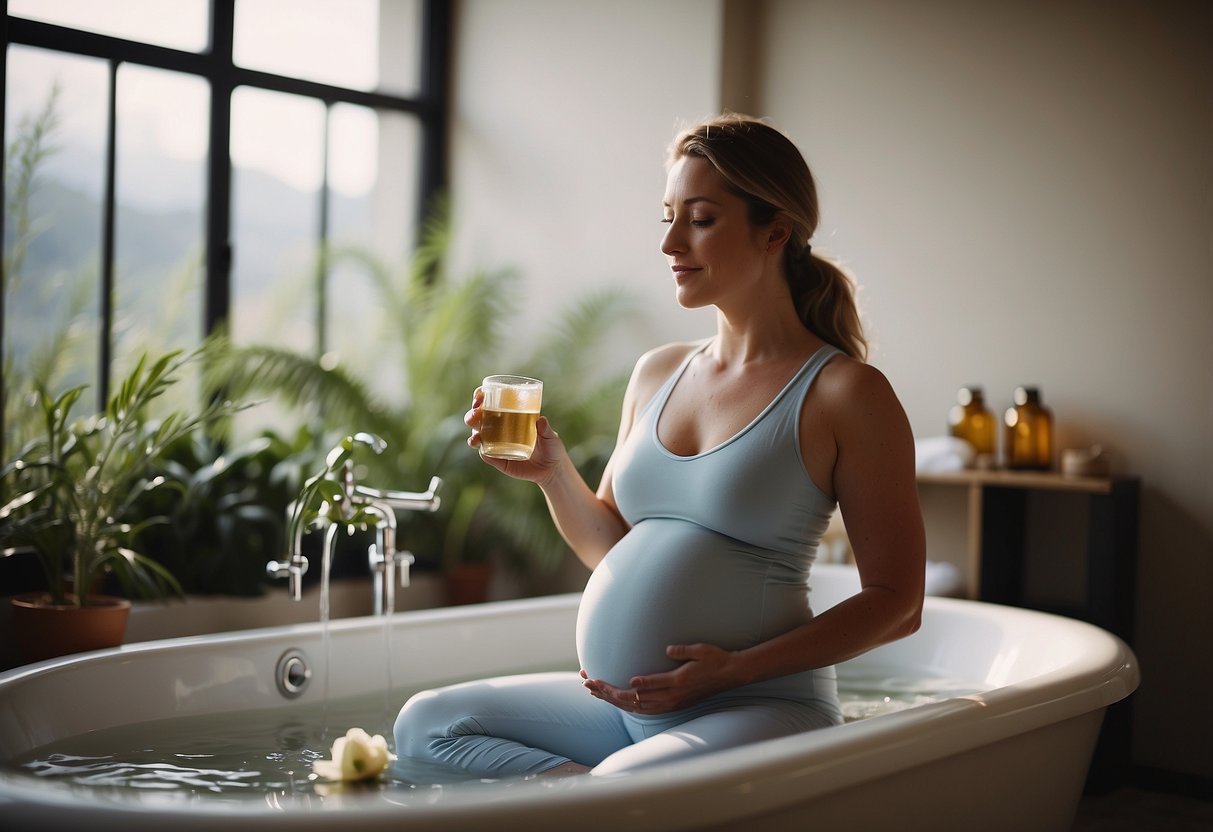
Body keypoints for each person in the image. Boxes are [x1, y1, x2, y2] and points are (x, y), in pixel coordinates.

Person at [393, 113, 926, 779]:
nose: (670, 241)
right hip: (624, 710)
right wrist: (552, 471)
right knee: (427, 722)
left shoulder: (844, 392)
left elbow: (897, 603)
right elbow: (611, 551)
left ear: (775, 232)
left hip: (757, 704)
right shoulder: (656, 373)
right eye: (667, 216)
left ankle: (602, 804)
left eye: (699, 219)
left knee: (619, 790)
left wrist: (735, 669)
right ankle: (584, 802)